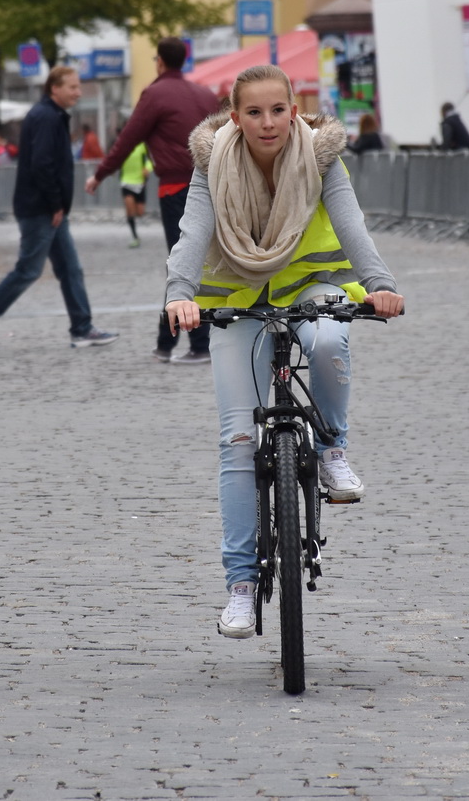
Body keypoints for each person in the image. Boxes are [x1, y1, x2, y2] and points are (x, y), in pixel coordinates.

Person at [163, 65, 402, 638]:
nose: (267, 123)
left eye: (277, 110)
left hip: (312, 283)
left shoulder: (321, 156)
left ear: (294, 110)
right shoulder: (211, 164)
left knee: (326, 341)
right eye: (253, 112)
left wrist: (380, 283)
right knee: (238, 439)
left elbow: (350, 224)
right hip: (236, 293)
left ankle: (333, 450)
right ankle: (241, 588)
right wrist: (180, 294)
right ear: (235, 116)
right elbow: (193, 232)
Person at [0, 66, 116, 351]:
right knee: (28, 269)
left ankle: (82, 328)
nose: (78, 92)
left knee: (70, 268)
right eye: (73, 87)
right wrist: (55, 203)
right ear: (54, 88)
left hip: (47, 208)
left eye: (79, 87)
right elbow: (42, 164)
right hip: (41, 209)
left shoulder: (51, 115)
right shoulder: (46, 117)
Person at [83, 36, 220, 364]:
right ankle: (166, 342)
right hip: (213, 186)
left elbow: (127, 138)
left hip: (176, 190)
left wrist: (100, 174)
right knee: (199, 260)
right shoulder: (204, 94)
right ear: (184, 59)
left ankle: (199, 344)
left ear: (159, 61)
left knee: (184, 263)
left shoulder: (155, 94)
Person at [118, 140, 150, 248]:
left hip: (140, 183)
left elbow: (151, 159)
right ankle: (134, 236)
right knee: (130, 210)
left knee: (140, 212)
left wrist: (148, 168)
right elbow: (114, 157)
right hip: (126, 182)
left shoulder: (142, 146)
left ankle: (135, 233)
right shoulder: (122, 145)